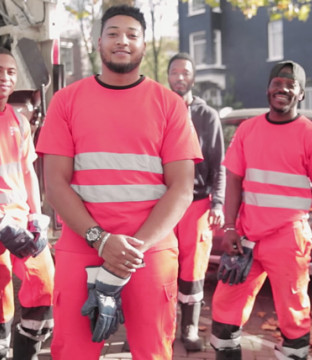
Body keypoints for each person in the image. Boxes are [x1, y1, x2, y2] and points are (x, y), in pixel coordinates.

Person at [35, 5, 202, 360]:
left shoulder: (170, 105)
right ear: (98, 42)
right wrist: (101, 239)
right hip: (82, 245)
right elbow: (55, 184)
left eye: (131, 34)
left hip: (149, 249)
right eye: (112, 33)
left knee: (153, 351)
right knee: (73, 353)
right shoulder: (66, 101)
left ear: (143, 44)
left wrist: (130, 249)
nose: (122, 41)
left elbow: (182, 188)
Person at [210, 60, 312, 360]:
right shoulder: (247, 129)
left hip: (288, 239)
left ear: (301, 94)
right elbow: (233, 181)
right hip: (245, 236)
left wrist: (286, 211)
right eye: (277, 83)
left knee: (293, 315)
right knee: (225, 306)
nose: (282, 88)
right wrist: (229, 227)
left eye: (290, 85)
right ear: (268, 88)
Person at [167, 52, 225, 351]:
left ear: (192, 77)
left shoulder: (207, 116)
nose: (180, 76)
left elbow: (219, 164)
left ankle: (189, 329)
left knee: (193, 268)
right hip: (163, 205)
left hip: (198, 204)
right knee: (162, 266)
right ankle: (164, 325)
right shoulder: (158, 111)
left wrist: (218, 204)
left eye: (185, 72)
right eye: (175, 71)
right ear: (168, 76)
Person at [0, 47, 54, 360]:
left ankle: (25, 353)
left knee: (44, 281)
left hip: (20, 222)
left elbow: (27, 171)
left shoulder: (19, 121)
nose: (4, 77)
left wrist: (37, 216)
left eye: (10, 71)